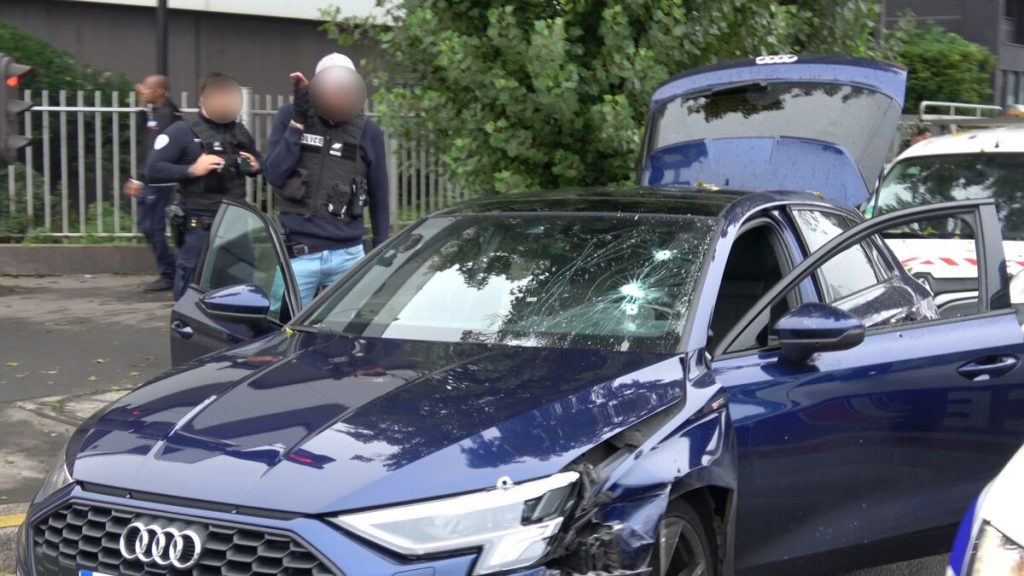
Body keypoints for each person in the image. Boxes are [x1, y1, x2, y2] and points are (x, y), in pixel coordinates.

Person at [264, 53, 389, 308]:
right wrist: (298, 122)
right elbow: (274, 174)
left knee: (345, 335)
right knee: (282, 332)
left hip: (348, 257)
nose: (339, 92)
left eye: (346, 86)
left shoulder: (368, 131)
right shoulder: (290, 116)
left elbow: (379, 195)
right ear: (316, 87)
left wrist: (381, 252)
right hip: (299, 255)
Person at [145, 72, 262, 301]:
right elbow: (154, 169)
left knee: (243, 295)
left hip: (236, 227)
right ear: (203, 99)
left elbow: (258, 162)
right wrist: (191, 170)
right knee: (191, 298)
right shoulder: (183, 131)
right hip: (200, 229)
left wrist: (257, 166)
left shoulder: (239, 132)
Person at [123, 74, 181, 292]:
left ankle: (170, 273)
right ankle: (173, 270)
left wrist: (139, 179)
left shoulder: (167, 115)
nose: (142, 90)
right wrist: (141, 107)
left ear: (160, 91)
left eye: (147, 88)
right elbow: (143, 140)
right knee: (150, 227)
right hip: (154, 179)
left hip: (158, 181)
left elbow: (153, 150)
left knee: (151, 227)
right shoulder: (157, 111)